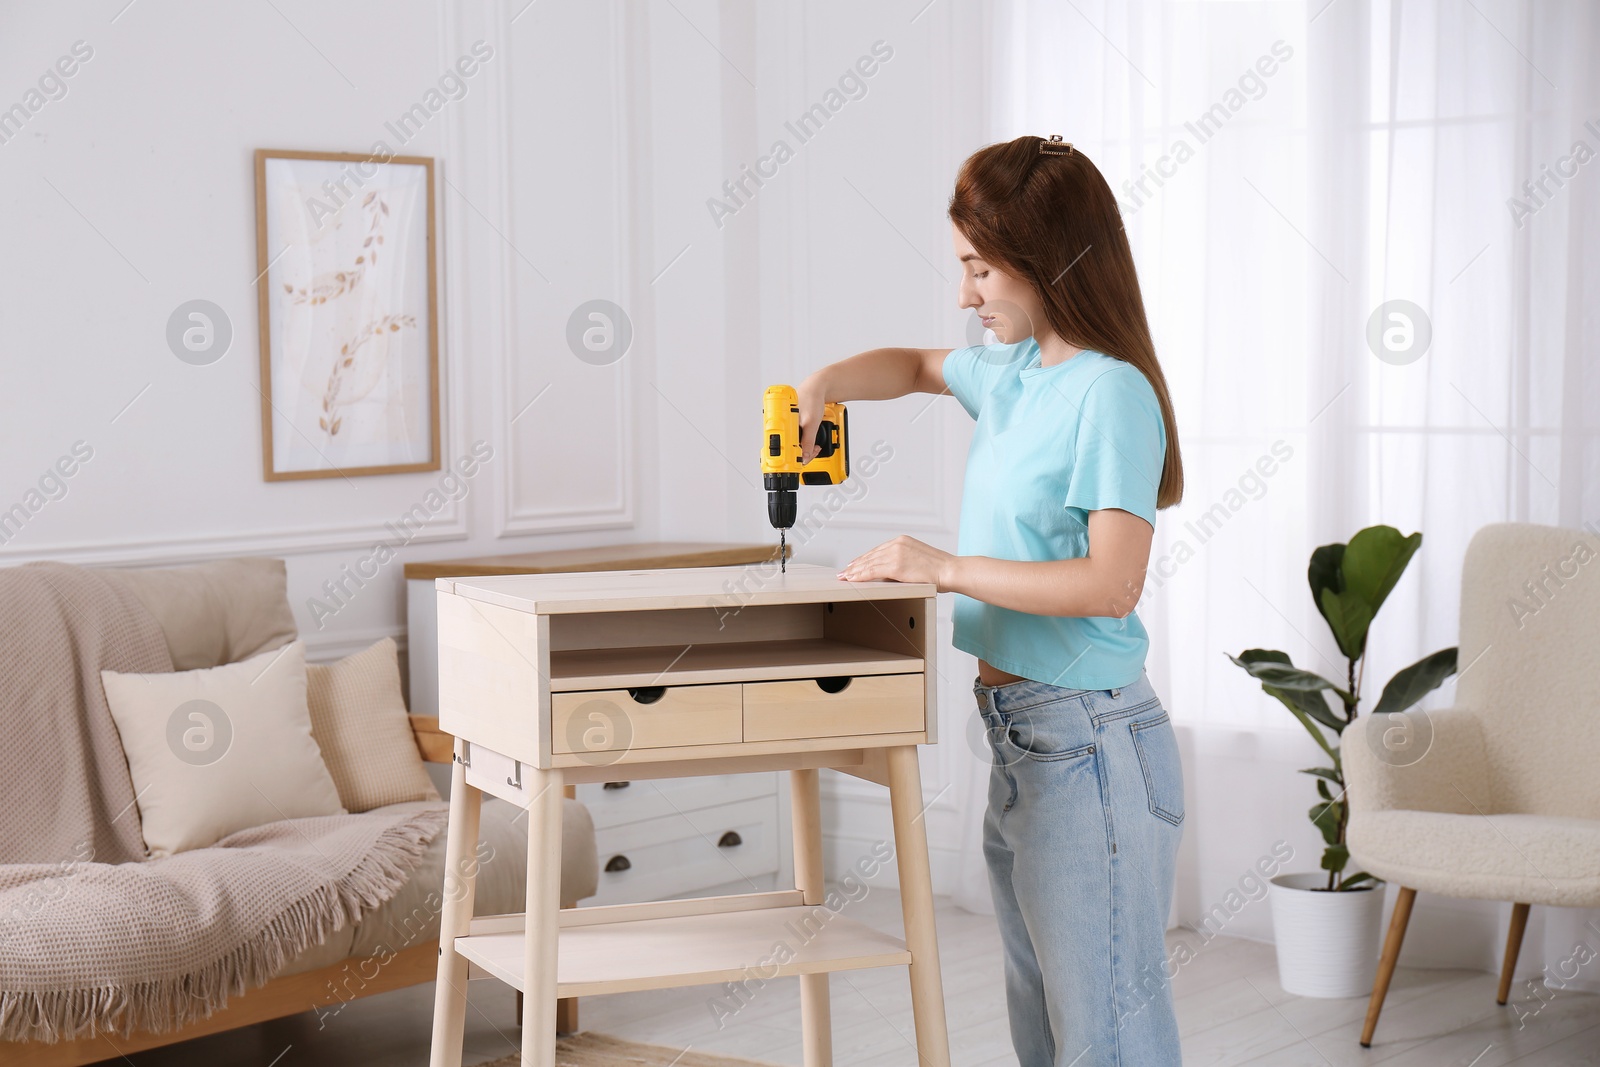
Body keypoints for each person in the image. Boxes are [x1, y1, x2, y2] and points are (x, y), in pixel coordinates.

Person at [797, 134, 1188, 1066]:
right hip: (1021, 736)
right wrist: (824, 386)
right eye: (963, 267)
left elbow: (1112, 581)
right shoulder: (1016, 374)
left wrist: (946, 567)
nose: (966, 293)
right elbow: (918, 365)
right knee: (1045, 1024)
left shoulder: (1111, 394)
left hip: (1090, 741)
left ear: (1049, 259)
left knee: (1106, 1036)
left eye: (980, 268)